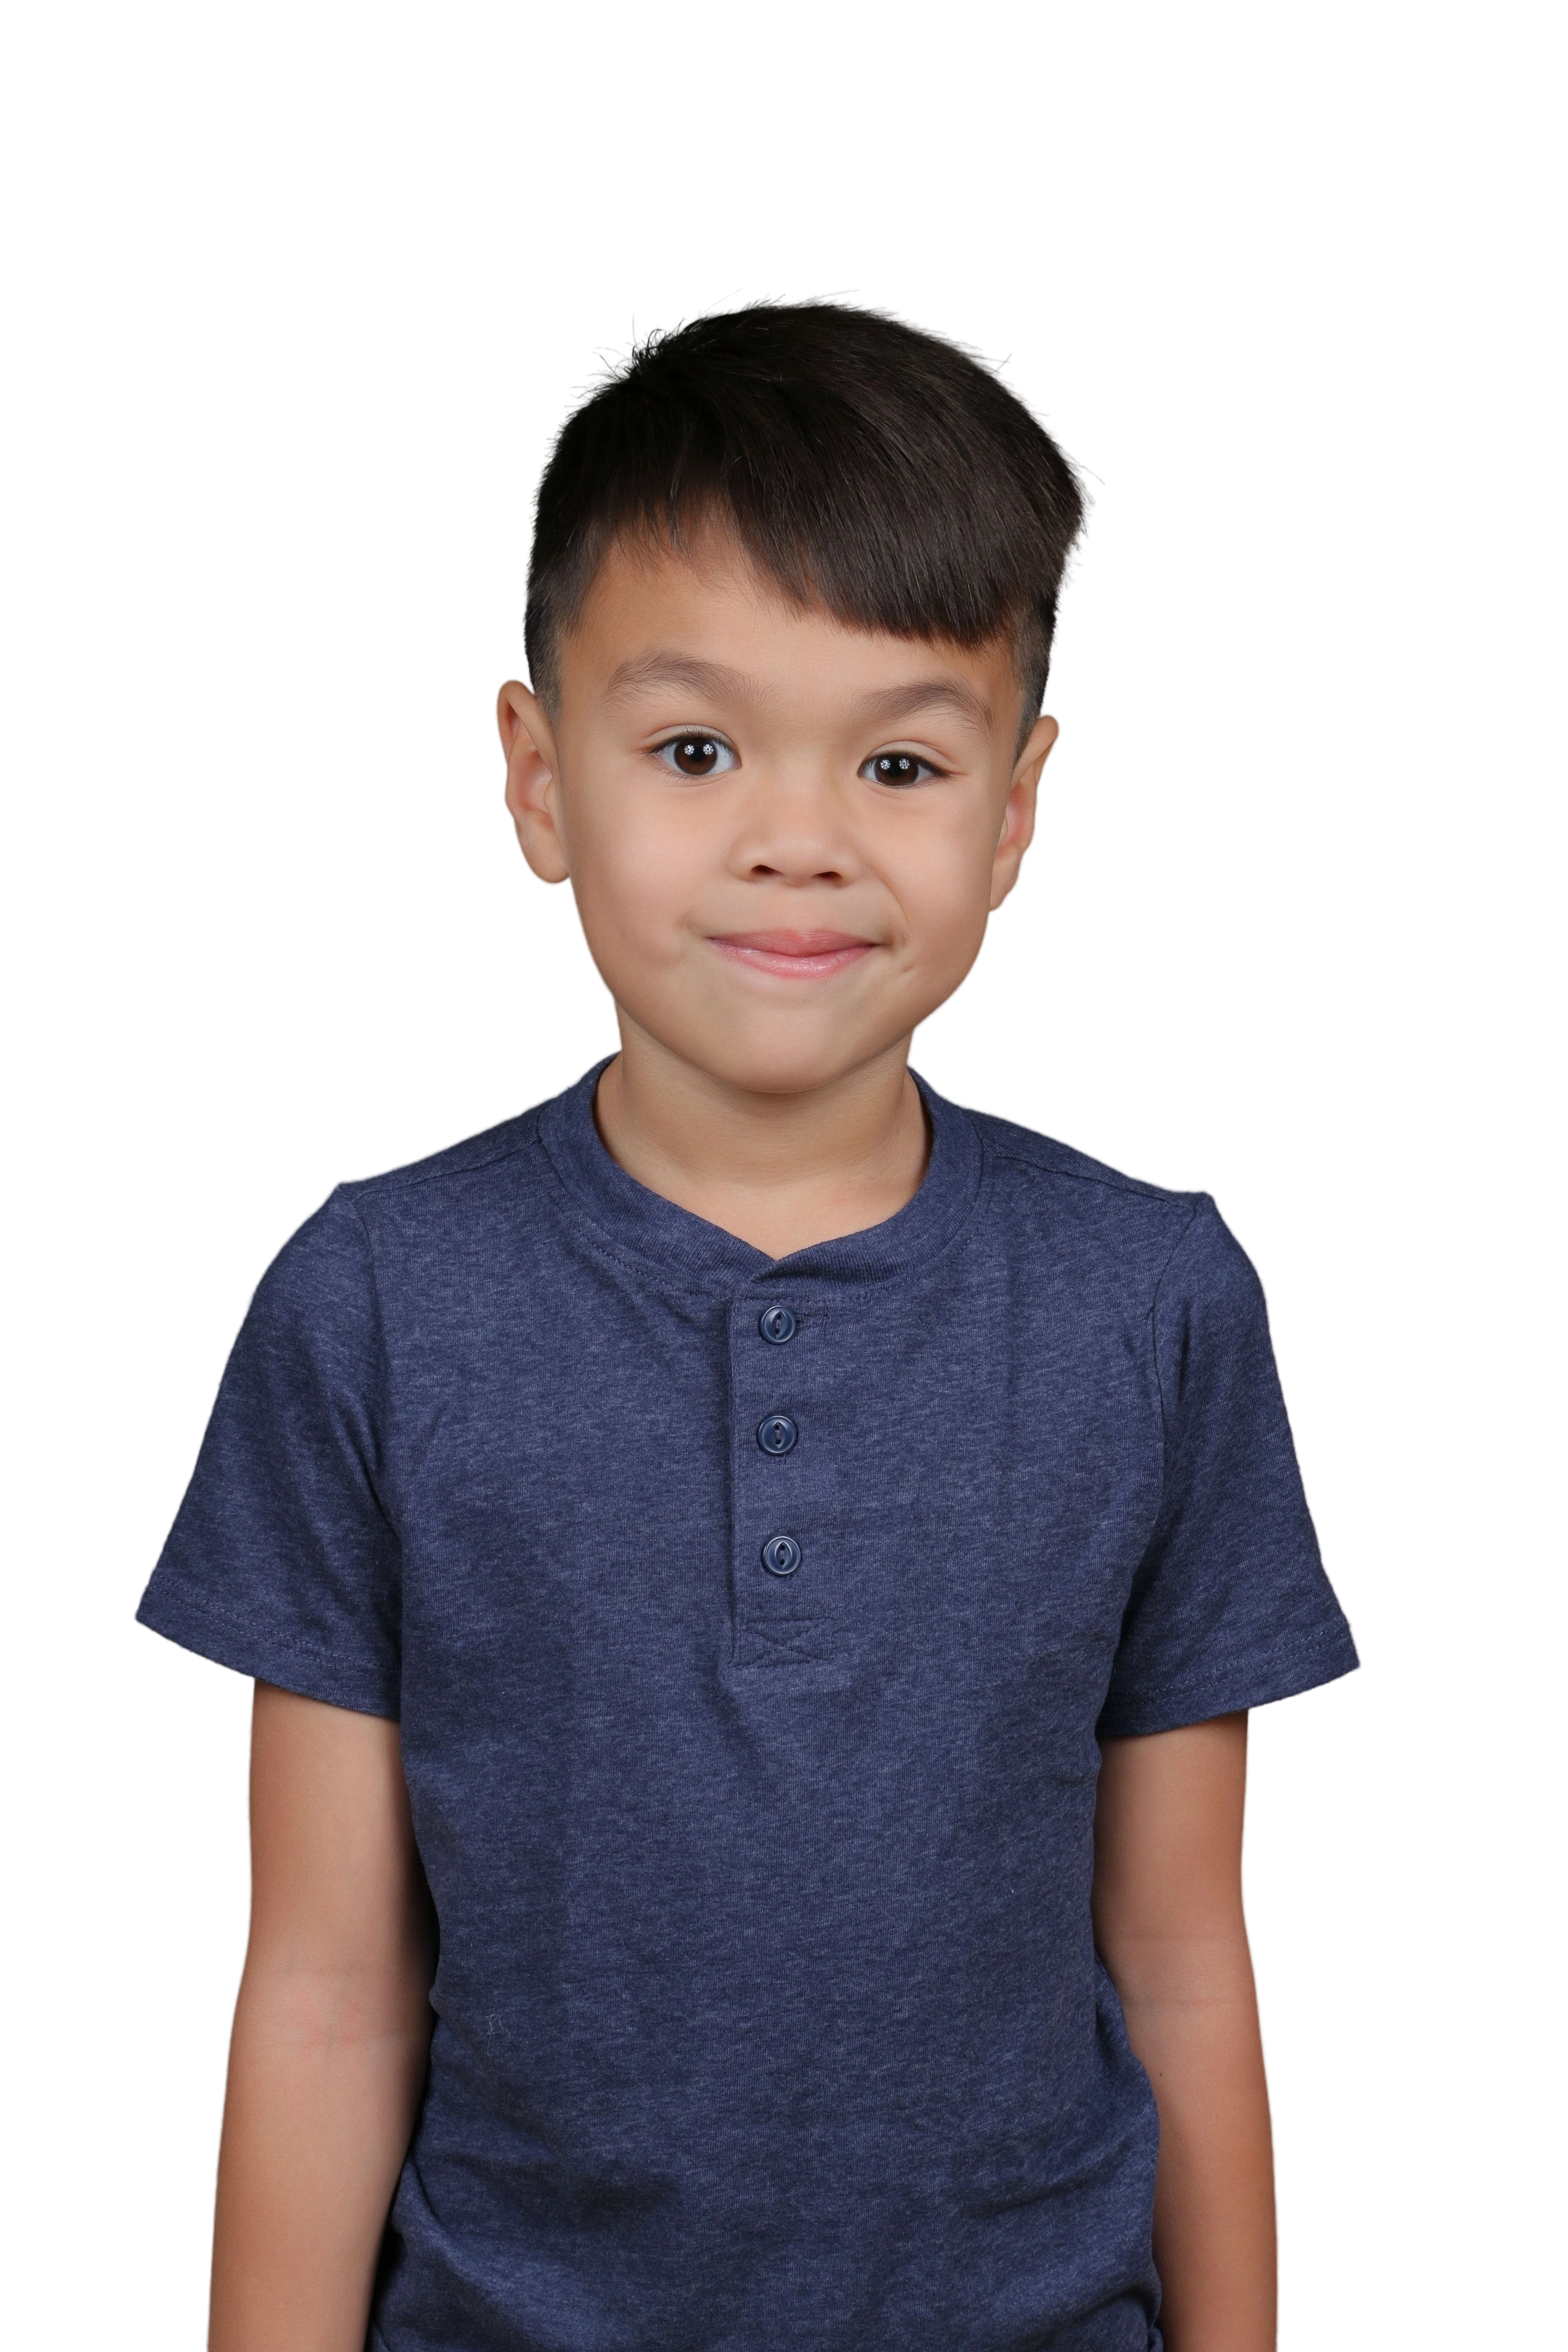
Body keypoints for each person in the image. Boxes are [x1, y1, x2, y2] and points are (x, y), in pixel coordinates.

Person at [131, 287, 1362, 2352]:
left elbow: (1180, 1957)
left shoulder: (1156, 1297)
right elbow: (331, 1985)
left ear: (1018, 811)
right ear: (541, 780)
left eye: (899, 759)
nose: (799, 839)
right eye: (695, 749)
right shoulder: (373, 1300)